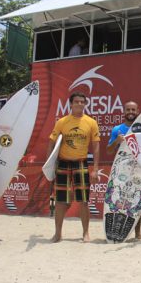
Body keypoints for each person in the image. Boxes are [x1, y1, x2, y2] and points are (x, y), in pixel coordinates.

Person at [47, 91, 100, 242]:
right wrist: (48, 164)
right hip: (63, 163)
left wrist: (95, 169)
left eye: (82, 102)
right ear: (70, 104)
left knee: (83, 200)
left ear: (85, 104)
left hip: (81, 163)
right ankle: (58, 233)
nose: (79, 104)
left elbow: (96, 147)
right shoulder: (62, 122)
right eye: (76, 102)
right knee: (60, 200)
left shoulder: (91, 122)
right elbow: (51, 142)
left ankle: (85, 233)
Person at [106, 101, 141, 240]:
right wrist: (117, 141)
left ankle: (137, 232)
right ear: (124, 111)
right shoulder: (117, 129)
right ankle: (118, 230)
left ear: (138, 111)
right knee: (119, 200)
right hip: (121, 171)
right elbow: (109, 150)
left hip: (138, 170)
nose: (131, 112)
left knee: (135, 200)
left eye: (133, 110)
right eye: (128, 109)